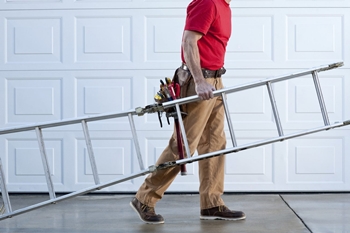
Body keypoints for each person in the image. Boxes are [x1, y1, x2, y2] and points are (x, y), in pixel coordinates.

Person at [130, 0, 246, 224]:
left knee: (214, 143)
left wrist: (212, 81)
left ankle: (211, 202)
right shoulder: (208, 2)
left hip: (215, 80)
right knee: (183, 145)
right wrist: (200, 81)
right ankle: (144, 198)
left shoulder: (225, 6)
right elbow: (189, 41)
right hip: (198, 81)